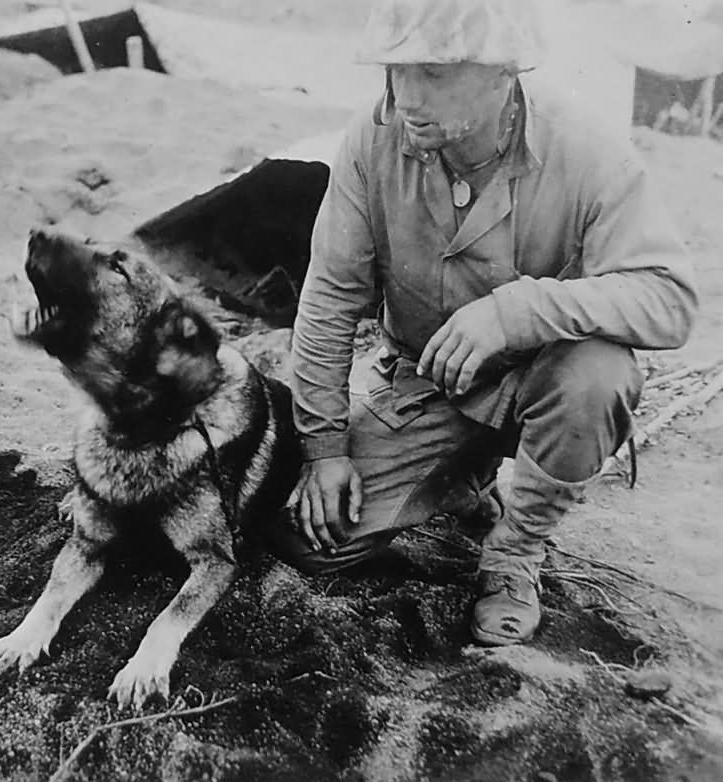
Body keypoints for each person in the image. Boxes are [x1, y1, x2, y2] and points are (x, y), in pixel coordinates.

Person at [273, 0, 698, 646]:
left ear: (505, 72)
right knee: (311, 543)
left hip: (545, 384)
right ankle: (464, 484)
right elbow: (329, 299)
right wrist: (324, 449)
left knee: (599, 375)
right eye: (397, 70)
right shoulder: (372, 141)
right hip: (428, 386)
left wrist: (517, 311)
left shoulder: (585, 150)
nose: (408, 97)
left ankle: (515, 553)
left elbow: (669, 297)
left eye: (434, 74)